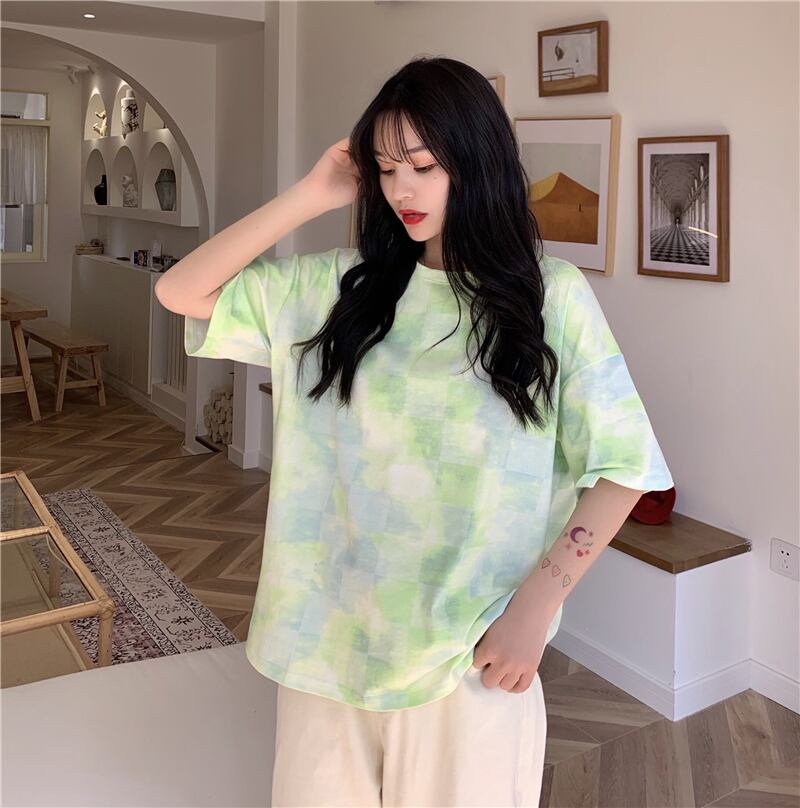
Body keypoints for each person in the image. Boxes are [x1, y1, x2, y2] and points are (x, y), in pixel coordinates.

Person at [155, 56, 673, 807]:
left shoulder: (549, 297)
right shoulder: (337, 288)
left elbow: (625, 467)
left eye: (424, 166)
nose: (402, 189)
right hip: (323, 646)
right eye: (386, 167)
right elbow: (180, 291)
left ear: (477, 160)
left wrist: (533, 611)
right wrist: (312, 193)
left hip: (467, 657)